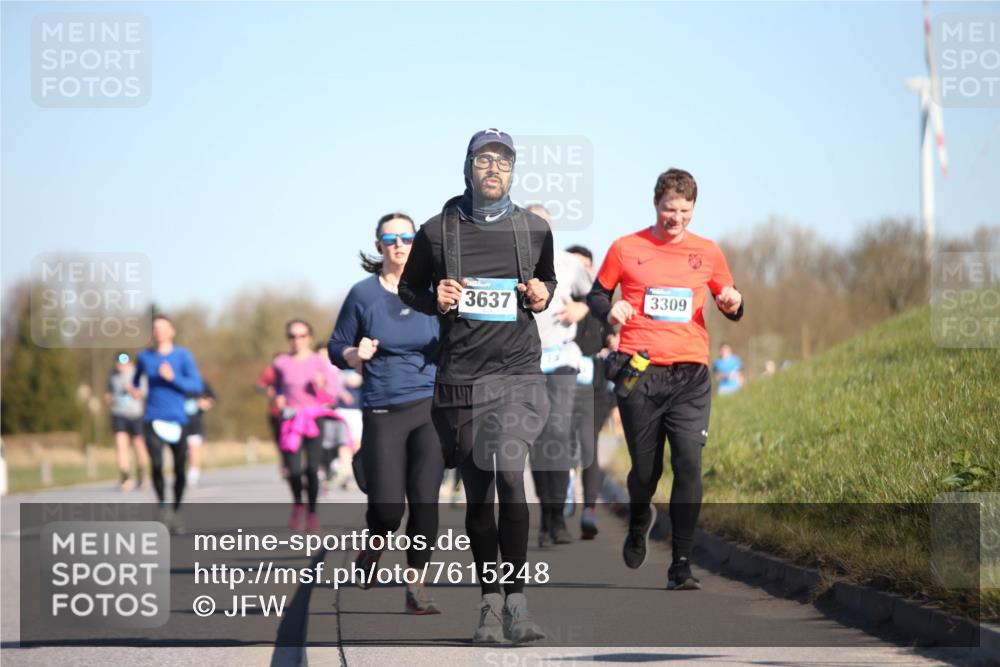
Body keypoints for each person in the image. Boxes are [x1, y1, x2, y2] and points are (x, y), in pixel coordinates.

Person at [398, 128, 556, 644]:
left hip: (516, 373)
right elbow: (410, 287)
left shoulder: (533, 230)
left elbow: (547, 282)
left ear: (513, 172)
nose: (494, 169)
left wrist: (541, 293)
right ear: (467, 167)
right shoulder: (435, 231)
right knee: (479, 495)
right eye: (485, 160)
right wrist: (435, 296)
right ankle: (489, 603)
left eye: (504, 163)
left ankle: (519, 602)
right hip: (462, 379)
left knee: (510, 476)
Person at [587, 168, 744, 591]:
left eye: (685, 211)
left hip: (690, 372)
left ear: (694, 209)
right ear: (655, 204)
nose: (677, 218)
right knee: (645, 470)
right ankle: (640, 518)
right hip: (639, 371)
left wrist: (734, 301)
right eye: (670, 209)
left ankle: (681, 564)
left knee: (689, 463)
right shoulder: (626, 247)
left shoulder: (708, 252)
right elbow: (597, 294)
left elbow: (729, 300)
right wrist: (610, 311)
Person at [329, 211, 444, 615]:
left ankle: (416, 588)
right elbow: (336, 345)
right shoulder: (364, 295)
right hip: (382, 408)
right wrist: (352, 353)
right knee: (389, 510)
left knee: (426, 502)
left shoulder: (434, 292)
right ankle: (371, 549)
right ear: (378, 245)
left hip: (430, 407)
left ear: (417, 244)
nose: (399, 244)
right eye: (390, 238)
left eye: (407, 237)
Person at [524, 205, 592, 547]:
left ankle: (558, 518)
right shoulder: (513, 262)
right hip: (526, 362)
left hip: (562, 358)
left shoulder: (570, 264)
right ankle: (547, 518)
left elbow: (599, 294)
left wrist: (582, 307)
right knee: (538, 441)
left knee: (558, 433)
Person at [131, 315, 204, 533]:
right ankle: (163, 504)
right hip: (153, 417)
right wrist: (135, 389)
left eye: (163, 328)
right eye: (155, 328)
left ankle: (177, 509)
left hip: (178, 419)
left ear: (172, 331)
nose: (159, 332)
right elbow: (136, 379)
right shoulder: (145, 357)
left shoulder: (183, 356)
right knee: (156, 464)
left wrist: (173, 378)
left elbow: (196, 386)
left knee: (179, 468)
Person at [565, 245, 618, 539]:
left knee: (589, 447)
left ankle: (589, 510)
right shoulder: (554, 303)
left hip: (595, 389)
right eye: (574, 266)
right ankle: (565, 486)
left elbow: (613, 336)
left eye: (586, 267)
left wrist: (613, 344)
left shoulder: (601, 305)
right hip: (560, 386)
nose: (580, 272)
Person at [273, 319, 342, 532]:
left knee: (312, 469)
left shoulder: (320, 363)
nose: (297, 340)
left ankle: (312, 511)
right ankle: (298, 504)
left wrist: (322, 388)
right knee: (293, 470)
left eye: (302, 335)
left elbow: (333, 394)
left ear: (309, 337)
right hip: (291, 418)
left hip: (314, 417)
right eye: (292, 336)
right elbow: (277, 388)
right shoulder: (281, 363)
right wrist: (278, 398)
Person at [105, 352, 148, 491]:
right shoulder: (112, 374)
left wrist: (133, 390)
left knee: (138, 445)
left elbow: (144, 392)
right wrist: (109, 397)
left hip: (136, 414)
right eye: (118, 363)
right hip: (119, 413)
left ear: (129, 363)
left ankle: (141, 474)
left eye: (123, 363)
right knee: (120, 444)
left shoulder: (137, 373)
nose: (120, 366)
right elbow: (109, 391)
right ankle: (125, 477)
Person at [183, 381, 216, 488]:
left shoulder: (200, 383)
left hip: (195, 422)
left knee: (194, 448)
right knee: (184, 451)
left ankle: (193, 475)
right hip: (178, 422)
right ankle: (184, 471)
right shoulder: (173, 381)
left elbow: (213, 398)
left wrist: (206, 403)